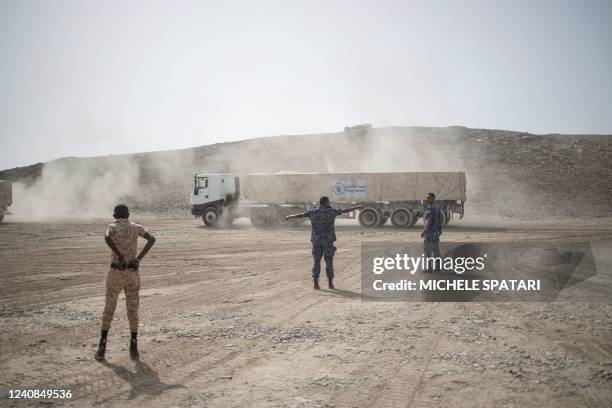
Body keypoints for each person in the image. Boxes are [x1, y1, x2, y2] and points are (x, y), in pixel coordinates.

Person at [95, 204, 156, 361]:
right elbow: (152, 239)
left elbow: (107, 237)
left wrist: (118, 254)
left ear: (115, 216)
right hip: (132, 273)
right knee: (133, 310)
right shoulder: (136, 227)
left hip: (116, 272)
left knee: (109, 309)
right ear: (128, 215)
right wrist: (138, 259)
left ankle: (102, 347)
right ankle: (133, 346)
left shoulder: (112, 226)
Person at [286, 197, 363, 290]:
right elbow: (345, 211)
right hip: (328, 241)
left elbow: (301, 215)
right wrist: (357, 207)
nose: (330, 203)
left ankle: (315, 284)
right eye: (329, 202)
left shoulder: (313, 212)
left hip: (316, 241)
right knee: (329, 261)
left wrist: (289, 217)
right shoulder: (331, 211)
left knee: (316, 262)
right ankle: (330, 284)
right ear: (326, 203)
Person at [421, 192, 443, 272]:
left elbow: (429, 220)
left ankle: (429, 268)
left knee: (428, 251)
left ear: (433, 198)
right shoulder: (437, 207)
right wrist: (440, 230)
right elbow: (440, 219)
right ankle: (438, 268)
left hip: (430, 233)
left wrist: (424, 231)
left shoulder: (431, 208)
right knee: (436, 250)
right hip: (436, 232)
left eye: (428, 198)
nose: (427, 199)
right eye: (427, 198)